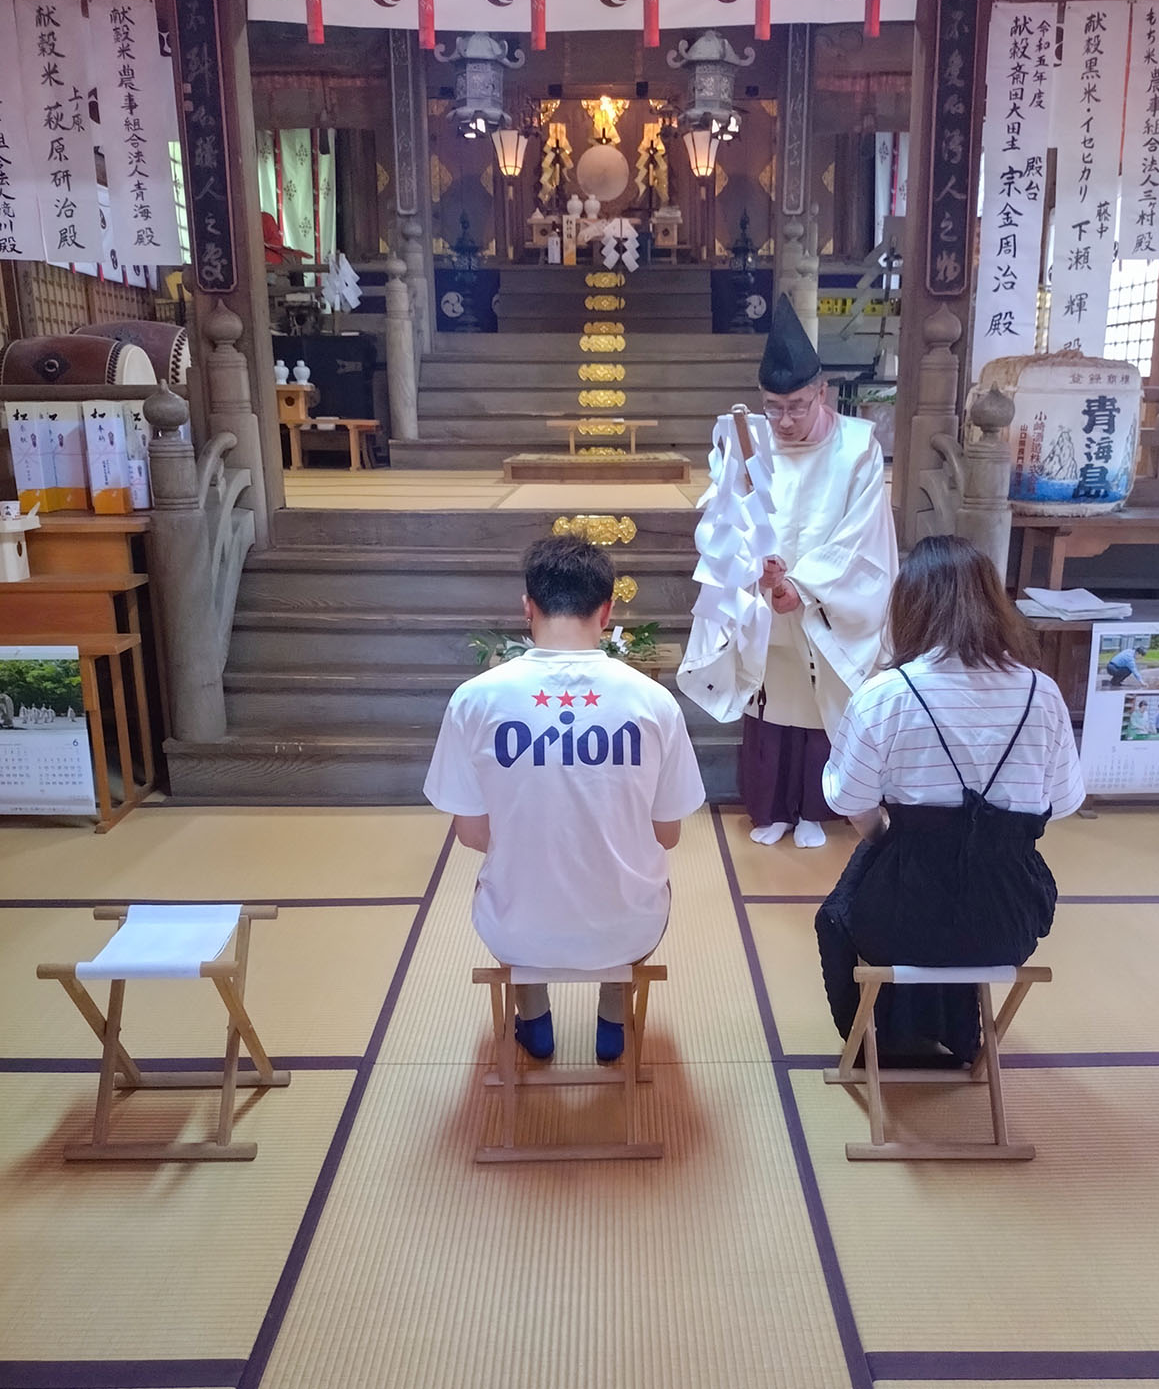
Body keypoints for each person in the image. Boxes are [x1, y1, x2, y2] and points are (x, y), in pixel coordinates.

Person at [424, 535, 706, 1064]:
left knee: (518, 889)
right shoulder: (653, 702)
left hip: (517, 930)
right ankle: (613, 1027)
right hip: (626, 928)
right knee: (636, 888)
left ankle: (534, 1024)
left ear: (527, 607)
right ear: (607, 610)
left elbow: (471, 834)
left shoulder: (475, 699)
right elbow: (667, 834)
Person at [815, 535, 1086, 1065]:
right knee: (958, 903)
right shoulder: (1042, 693)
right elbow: (1064, 802)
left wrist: (889, 839)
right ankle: (958, 1033)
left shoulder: (886, 695)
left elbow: (852, 803)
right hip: (1007, 920)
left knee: (839, 916)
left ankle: (878, 1043)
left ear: (909, 608)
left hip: (902, 919)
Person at [724, 295, 898, 849]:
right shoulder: (747, 438)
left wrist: (803, 586)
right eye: (773, 407)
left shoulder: (857, 446)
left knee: (821, 696)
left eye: (797, 405)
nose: (785, 420)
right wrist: (756, 567)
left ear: (822, 392)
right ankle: (770, 807)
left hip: (824, 599)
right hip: (764, 594)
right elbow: (727, 515)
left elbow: (862, 537)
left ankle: (814, 811)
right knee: (771, 693)